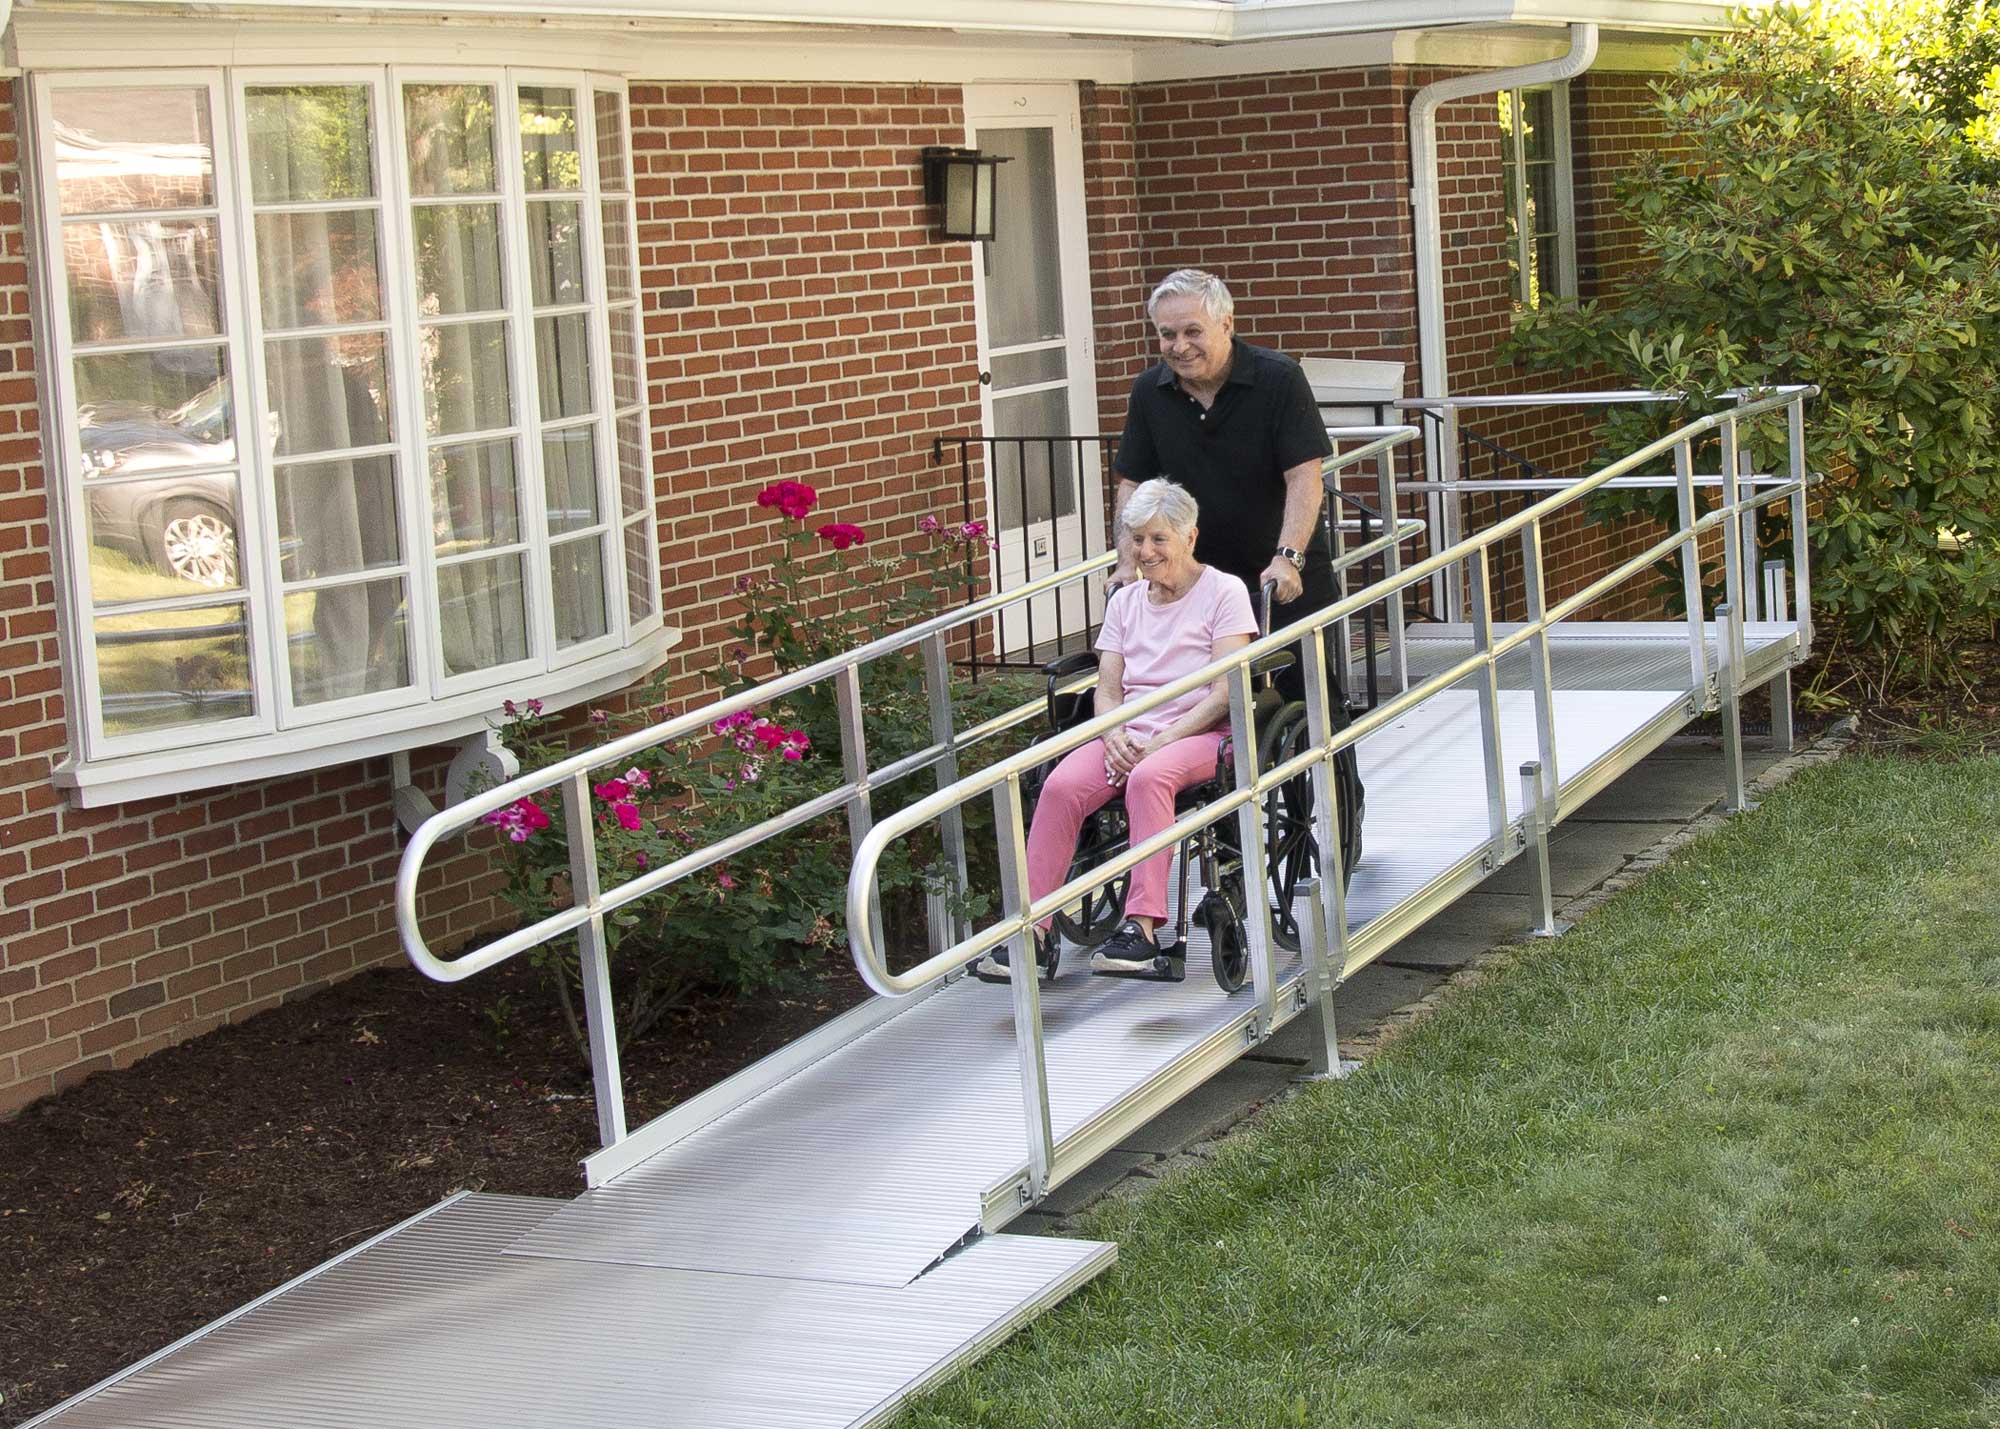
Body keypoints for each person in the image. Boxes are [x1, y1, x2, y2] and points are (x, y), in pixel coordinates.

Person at [974, 479, 1257, 987]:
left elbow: (1223, 693)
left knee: (1150, 778)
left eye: (1157, 540)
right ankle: (1033, 933)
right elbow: (1107, 690)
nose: (1145, 552)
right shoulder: (1126, 602)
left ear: (1189, 536)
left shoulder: (1224, 591)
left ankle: (1142, 930)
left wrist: (1161, 740)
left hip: (1201, 735)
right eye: (1136, 541)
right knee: (1059, 786)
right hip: (1128, 736)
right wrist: (1113, 735)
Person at [1109, 269, 1336, 702]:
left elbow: (1304, 476)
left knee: (1309, 702)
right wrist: (1127, 562)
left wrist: (1288, 556)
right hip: (1199, 585)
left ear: (1226, 325)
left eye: (1193, 331)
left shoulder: (1278, 379)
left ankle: (1335, 773)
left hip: (1277, 576)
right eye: (1167, 334)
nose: (1179, 346)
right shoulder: (1149, 391)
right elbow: (1132, 485)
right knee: (1210, 708)